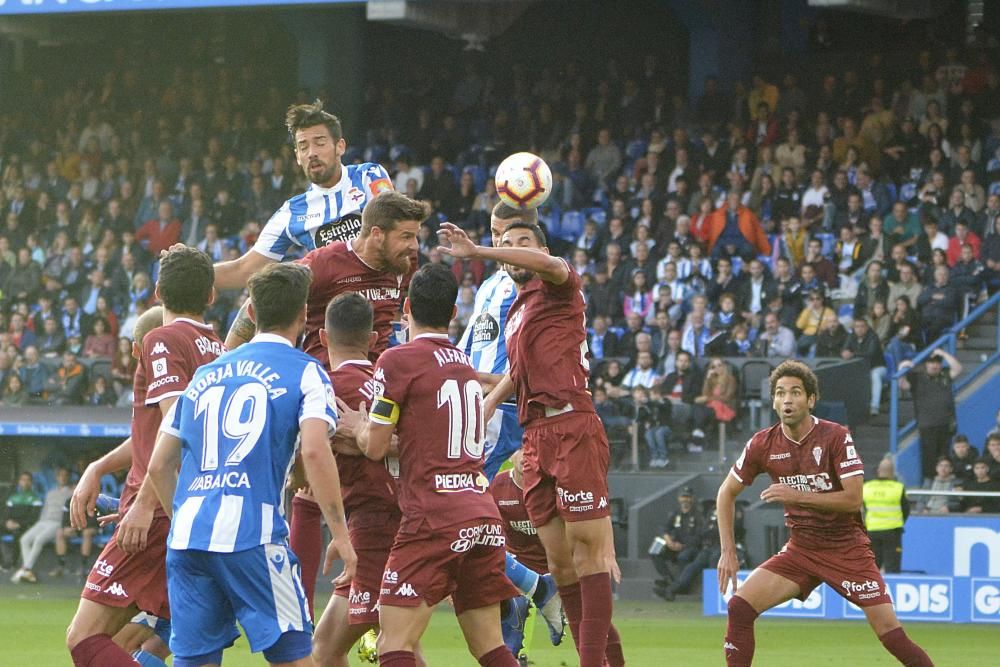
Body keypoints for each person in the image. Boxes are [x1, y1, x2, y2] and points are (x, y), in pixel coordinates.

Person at [144, 262, 354, 667]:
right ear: (303, 316)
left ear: (252, 314)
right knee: (295, 657)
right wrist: (341, 535)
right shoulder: (307, 372)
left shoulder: (204, 376)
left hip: (187, 540)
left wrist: (186, 516)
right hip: (253, 537)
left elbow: (158, 466)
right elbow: (314, 450)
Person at [436, 221, 625, 667]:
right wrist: (482, 410)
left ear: (541, 249)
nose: (513, 250)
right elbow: (517, 374)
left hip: (572, 425)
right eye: (506, 244)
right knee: (560, 568)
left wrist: (480, 250)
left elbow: (544, 264)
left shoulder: (560, 283)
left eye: (523, 242)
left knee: (588, 554)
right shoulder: (518, 310)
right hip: (535, 435)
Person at [226, 190, 423, 615]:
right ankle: (317, 610)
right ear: (376, 234)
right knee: (310, 492)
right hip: (325, 389)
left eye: (415, 237)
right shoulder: (324, 264)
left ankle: (365, 606)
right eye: (406, 236)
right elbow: (260, 300)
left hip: (376, 389)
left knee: (399, 486)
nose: (414, 247)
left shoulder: (402, 269)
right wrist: (230, 359)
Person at [340, 264, 521, 667]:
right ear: (453, 312)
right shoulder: (464, 363)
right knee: (490, 646)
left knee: (393, 644)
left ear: (406, 307)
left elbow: (375, 446)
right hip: (481, 511)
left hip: (433, 515)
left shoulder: (396, 361)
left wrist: (357, 427)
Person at [65, 248, 225, 667]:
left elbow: (178, 427)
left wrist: (144, 503)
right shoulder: (219, 348)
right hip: (196, 508)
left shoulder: (162, 340)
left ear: (157, 292)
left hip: (155, 513)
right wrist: (98, 467)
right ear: (211, 295)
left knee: (85, 639)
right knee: (165, 638)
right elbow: (154, 434)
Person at [717, 360, 933, 666]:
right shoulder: (762, 444)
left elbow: (852, 499)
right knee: (740, 607)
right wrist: (728, 551)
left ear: (811, 399)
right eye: (780, 393)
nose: (787, 400)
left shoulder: (834, 436)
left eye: (795, 392)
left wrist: (797, 495)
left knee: (890, 632)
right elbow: (725, 493)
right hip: (801, 550)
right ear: (774, 401)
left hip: (847, 548)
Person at [456, 202, 565, 645]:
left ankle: (533, 585)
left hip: (500, 411)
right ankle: (525, 589)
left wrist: (482, 389)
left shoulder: (535, 291)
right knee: (462, 517)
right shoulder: (488, 289)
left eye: (513, 238)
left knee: (450, 509)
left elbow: (525, 371)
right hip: (476, 405)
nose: (502, 245)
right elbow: (468, 348)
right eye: (497, 236)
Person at [310, 293, 412, 667]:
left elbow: (307, 456)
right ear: (372, 340)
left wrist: (358, 441)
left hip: (374, 522)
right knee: (398, 640)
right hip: (396, 515)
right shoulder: (385, 383)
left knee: (328, 649)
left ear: (322, 338)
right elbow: (412, 443)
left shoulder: (327, 387)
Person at [210, 100, 393, 290]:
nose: (312, 153)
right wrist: (189, 273)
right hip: (333, 313)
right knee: (249, 309)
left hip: (382, 300)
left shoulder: (368, 176)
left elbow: (391, 229)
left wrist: (310, 264)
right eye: (303, 147)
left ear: (340, 146)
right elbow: (244, 269)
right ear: (297, 156)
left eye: (320, 143)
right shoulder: (293, 212)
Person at [489, 448, 568, 660]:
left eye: (530, 449)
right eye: (519, 448)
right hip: (519, 561)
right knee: (510, 605)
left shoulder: (552, 484)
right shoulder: (496, 486)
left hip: (557, 562)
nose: (524, 455)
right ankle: (518, 657)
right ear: (508, 453)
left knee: (584, 618)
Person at [898, 349, 962, 482]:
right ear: (926, 364)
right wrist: (902, 367)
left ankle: (944, 484)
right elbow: (903, 385)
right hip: (927, 425)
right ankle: (929, 484)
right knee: (929, 457)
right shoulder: (917, 377)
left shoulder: (944, 374)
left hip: (946, 424)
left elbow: (958, 368)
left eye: (937, 363)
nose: (935, 365)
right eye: (931, 362)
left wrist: (944, 353)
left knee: (945, 456)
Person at [10, 467, 73, 584]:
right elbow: (45, 509)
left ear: (68, 477)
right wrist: (40, 523)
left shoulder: (71, 492)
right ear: (57, 477)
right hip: (43, 521)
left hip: (57, 523)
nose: (63, 478)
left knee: (38, 540)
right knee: (24, 539)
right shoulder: (50, 493)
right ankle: (28, 570)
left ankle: (26, 569)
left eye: (65, 476)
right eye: (60, 475)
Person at [650, 487, 702, 598]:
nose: (685, 499)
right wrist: (668, 540)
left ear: (692, 498)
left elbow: (699, 537)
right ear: (679, 498)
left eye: (687, 497)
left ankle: (681, 587)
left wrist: (682, 546)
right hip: (675, 546)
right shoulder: (676, 513)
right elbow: (665, 528)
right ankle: (669, 580)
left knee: (684, 556)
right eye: (683, 497)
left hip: (690, 548)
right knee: (655, 551)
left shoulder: (697, 515)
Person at [862, 457, 909, 573]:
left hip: (872, 531)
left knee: (872, 568)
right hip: (892, 532)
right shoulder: (898, 488)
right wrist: (898, 521)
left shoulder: (866, 487)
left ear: (878, 471)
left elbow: (862, 509)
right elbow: (906, 510)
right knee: (892, 566)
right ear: (892, 472)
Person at [0, 471, 42, 571]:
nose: (25, 482)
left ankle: (13, 563)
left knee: (18, 534)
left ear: (31, 482)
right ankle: (2, 562)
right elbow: (6, 514)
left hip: (24, 526)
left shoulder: (35, 498)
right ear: (19, 482)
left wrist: (19, 524)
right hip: (10, 524)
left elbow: (34, 518)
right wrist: (6, 522)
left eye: (28, 480)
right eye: (23, 480)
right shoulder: (13, 497)